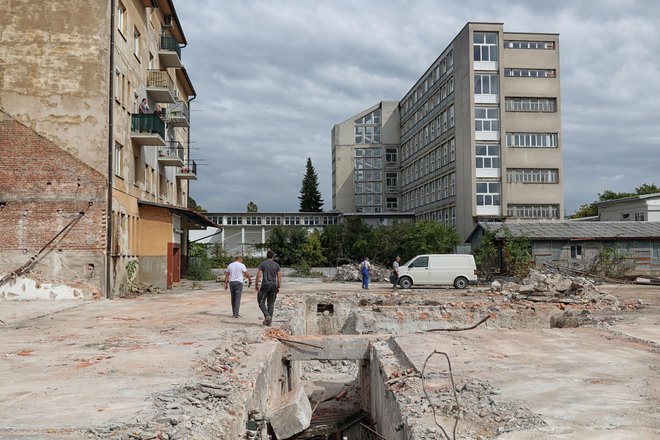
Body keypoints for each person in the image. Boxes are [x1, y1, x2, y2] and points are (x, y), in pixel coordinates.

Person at [255, 251, 281, 326]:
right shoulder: (276, 265)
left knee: (261, 302)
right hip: (274, 285)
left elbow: (259, 275)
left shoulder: (263, 264)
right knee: (271, 303)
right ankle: (269, 322)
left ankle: (267, 316)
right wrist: (278, 286)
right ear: (273, 256)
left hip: (265, 285)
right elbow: (279, 276)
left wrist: (256, 284)